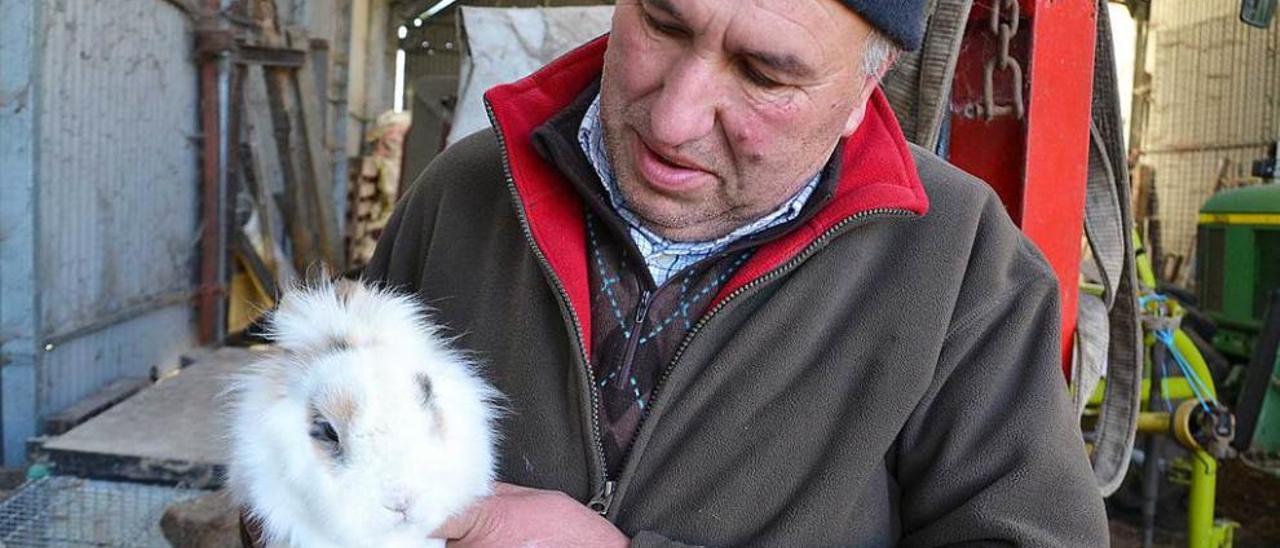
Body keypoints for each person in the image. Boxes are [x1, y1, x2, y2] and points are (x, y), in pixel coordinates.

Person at [367, 0, 1109, 545]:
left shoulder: (961, 265)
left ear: (861, 91)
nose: (674, 120)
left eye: (763, 74)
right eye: (663, 24)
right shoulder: (465, 193)